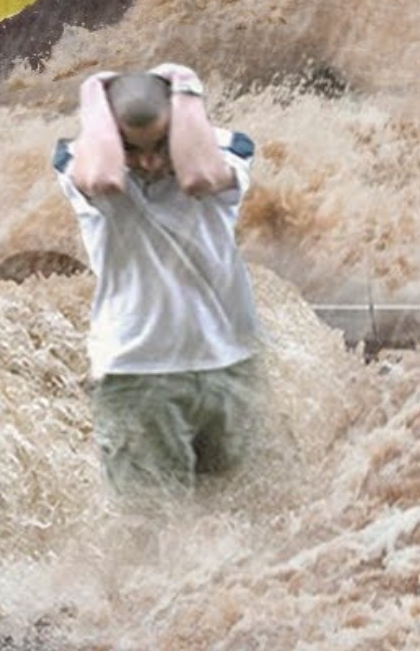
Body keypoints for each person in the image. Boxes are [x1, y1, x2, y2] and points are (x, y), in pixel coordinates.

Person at [53, 62, 263, 506]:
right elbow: (106, 179)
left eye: (160, 146)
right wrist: (94, 95)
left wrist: (185, 84)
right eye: (132, 148)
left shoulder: (225, 148)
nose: (148, 162)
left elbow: (199, 178)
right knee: (151, 531)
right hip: (136, 375)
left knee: (242, 512)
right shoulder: (81, 157)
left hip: (229, 365)